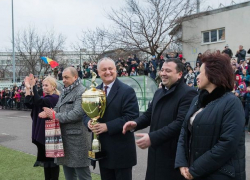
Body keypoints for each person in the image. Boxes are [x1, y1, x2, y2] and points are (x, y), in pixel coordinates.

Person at [123, 58, 198, 180]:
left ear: (179, 74)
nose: (163, 73)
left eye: (168, 71)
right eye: (162, 70)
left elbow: (180, 124)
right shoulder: (159, 92)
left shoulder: (188, 94)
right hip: (155, 155)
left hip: (173, 156)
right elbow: (148, 115)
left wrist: (152, 138)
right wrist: (135, 123)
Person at [175, 52, 245, 180]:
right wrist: (181, 162)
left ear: (214, 73)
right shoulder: (197, 100)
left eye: (201, 72)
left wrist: (195, 170)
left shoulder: (231, 102)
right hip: (194, 172)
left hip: (220, 175)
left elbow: (227, 144)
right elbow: (184, 132)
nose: (197, 75)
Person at [83, 57, 139, 180]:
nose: (108, 72)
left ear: (116, 70)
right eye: (104, 70)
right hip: (102, 150)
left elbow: (132, 116)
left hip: (121, 152)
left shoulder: (127, 91)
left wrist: (107, 127)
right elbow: (85, 113)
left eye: (110, 69)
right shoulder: (94, 91)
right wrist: (88, 123)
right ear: (98, 72)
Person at [39, 67, 91, 180]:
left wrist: (54, 115)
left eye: (66, 77)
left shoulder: (82, 91)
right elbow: (57, 107)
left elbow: (77, 114)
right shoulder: (65, 91)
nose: (64, 80)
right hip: (64, 138)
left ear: (75, 77)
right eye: (63, 77)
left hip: (78, 140)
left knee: (83, 175)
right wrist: (49, 112)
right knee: (68, 174)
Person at [24, 74, 60, 180]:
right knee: (46, 163)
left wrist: (34, 86)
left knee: (52, 163)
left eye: (46, 85)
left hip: (52, 133)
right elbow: (28, 103)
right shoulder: (45, 97)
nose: (44, 87)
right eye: (43, 85)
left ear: (53, 87)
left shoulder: (54, 98)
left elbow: (38, 101)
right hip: (43, 133)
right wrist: (27, 88)